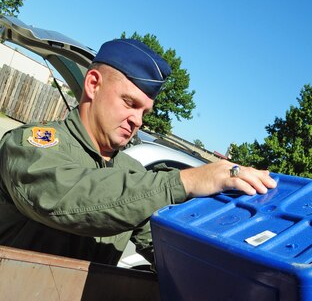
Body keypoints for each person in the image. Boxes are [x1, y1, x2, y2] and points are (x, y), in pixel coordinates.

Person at [0, 38, 276, 266]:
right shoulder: (30, 145)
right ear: (93, 84)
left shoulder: (130, 171)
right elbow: (64, 197)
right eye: (129, 102)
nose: (138, 120)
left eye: (144, 111)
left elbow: (167, 249)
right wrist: (186, 181)